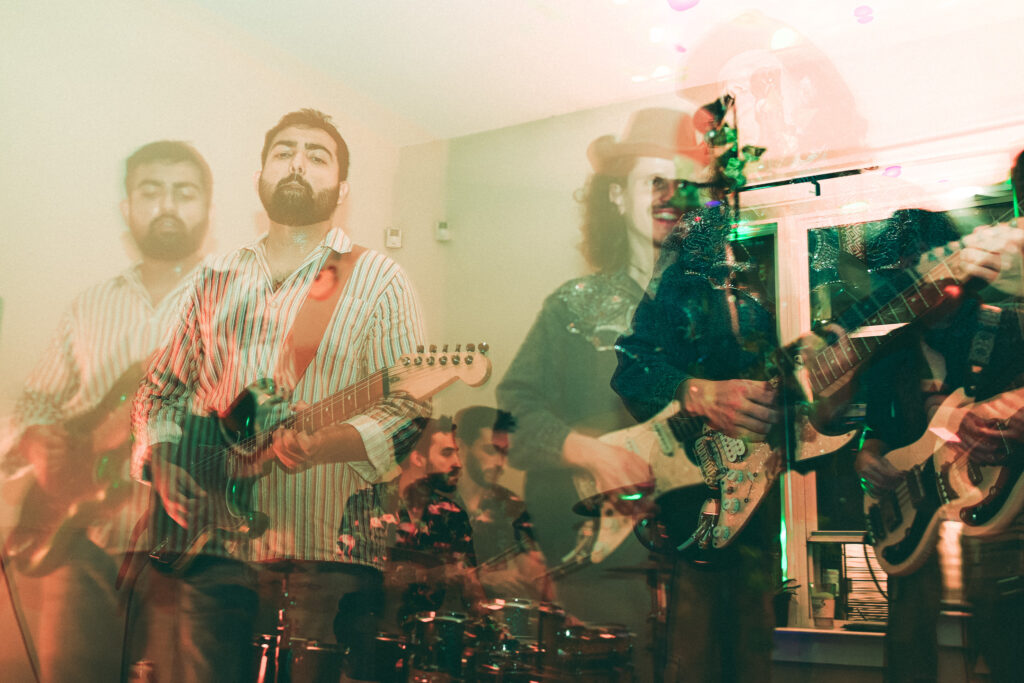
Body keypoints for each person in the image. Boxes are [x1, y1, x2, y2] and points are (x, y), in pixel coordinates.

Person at [129, 109, 427, 682]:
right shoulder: (215, 277)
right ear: (260, 177)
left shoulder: (379, 278)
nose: (297, 163)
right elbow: (161, 390)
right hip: (211, 549)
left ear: (342, 189)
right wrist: (163, 460)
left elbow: (409, 410)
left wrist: (327, 443)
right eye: (284, 152)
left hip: (325, 556)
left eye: (318, 156)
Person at [497, 108, 709, 681]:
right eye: (653, 180)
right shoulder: (572, 306)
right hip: (599, 572)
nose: (670, 196)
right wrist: (592, 453)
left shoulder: (725, 311)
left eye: (683, 184)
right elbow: (513, 414)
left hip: (702, 569)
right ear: (617, 196)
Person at [3, 140, 212, 682]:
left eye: (184, 192)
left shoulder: (235, 305)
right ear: (127, 207)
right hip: (83, 542)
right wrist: (36, 438)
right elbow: (37, 398)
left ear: (207, 209)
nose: (167, 204)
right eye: (151, 191)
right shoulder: (89, 305)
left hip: (193, 549)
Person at [854, 167, 1024, 682]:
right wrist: (867, 455)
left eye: (916, 264)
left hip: (1002, 515)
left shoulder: (1007, 324)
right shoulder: (890, 348)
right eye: (900, 270)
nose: (907, 281)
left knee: (1004, 641)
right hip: (916, 513)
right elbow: (878, 429)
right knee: (908, 644)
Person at [453, 405, 552, 601]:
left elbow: (532, 569)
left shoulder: (511, 505)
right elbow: (419, 573)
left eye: (505, 453)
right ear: (461, 447)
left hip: (496, 616)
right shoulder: (435, 500)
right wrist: (481, 579)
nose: (500, 462)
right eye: (490, 450)